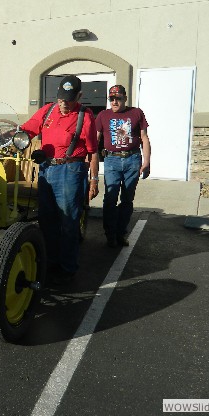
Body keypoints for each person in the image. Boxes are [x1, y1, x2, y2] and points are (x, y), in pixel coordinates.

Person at [21, 75, 100, 284]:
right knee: (47, 220)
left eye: (69, 99)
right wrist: (5, 137)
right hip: (47, 169)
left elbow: (93, 152)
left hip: (70, 170)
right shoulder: (47, 111)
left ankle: (67, 268)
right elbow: (27, 129)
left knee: (68, 221)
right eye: (61, 98)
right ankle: (50, 261)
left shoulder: (85, 117)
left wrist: (94, 180)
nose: (64, 103)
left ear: (79, 96)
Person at [96, 84, 151, 248]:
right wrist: (89, 159)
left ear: (125, 98)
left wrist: (147, 161)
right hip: (111, 160)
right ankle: (110, 234)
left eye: (118, 99)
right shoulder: (102, 115)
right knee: (110, 198)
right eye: (111, 99)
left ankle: (121, 234)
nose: (114, 102)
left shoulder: (136, 113)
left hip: (132, 159)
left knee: (127, 199)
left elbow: (144, 138)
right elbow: (96, 139)